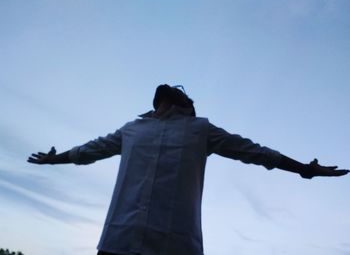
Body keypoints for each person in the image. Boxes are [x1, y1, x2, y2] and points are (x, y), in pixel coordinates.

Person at [28, 84, 349, 255]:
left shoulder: (200, 129)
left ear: (185, 102)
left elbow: (255, 152)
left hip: (177, 246)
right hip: (118, 242)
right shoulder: (131, 129)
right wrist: (53, 159)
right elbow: (89, 150)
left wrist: (304, 169)